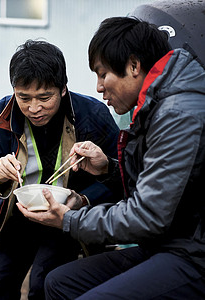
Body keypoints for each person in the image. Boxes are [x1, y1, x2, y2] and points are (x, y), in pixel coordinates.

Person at [17, 17, 205, 299]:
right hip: (166, 243)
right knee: (58, 282)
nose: (98, 87)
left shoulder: (179, 113)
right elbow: (160, 186)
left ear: (133, 65)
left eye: (103, 74)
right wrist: (107, 168)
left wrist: (70, 219)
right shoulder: (156, 104)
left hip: (192, 252)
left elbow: (147, 215)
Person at [0, 39, 120, 299]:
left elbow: (120, 177)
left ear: (62, 89)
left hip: (65, 219)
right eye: (23, 98)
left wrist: (83, 199)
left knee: (45, 285)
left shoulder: (92, 114)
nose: (34, 109)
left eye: (44, 97)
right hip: (14, 217)